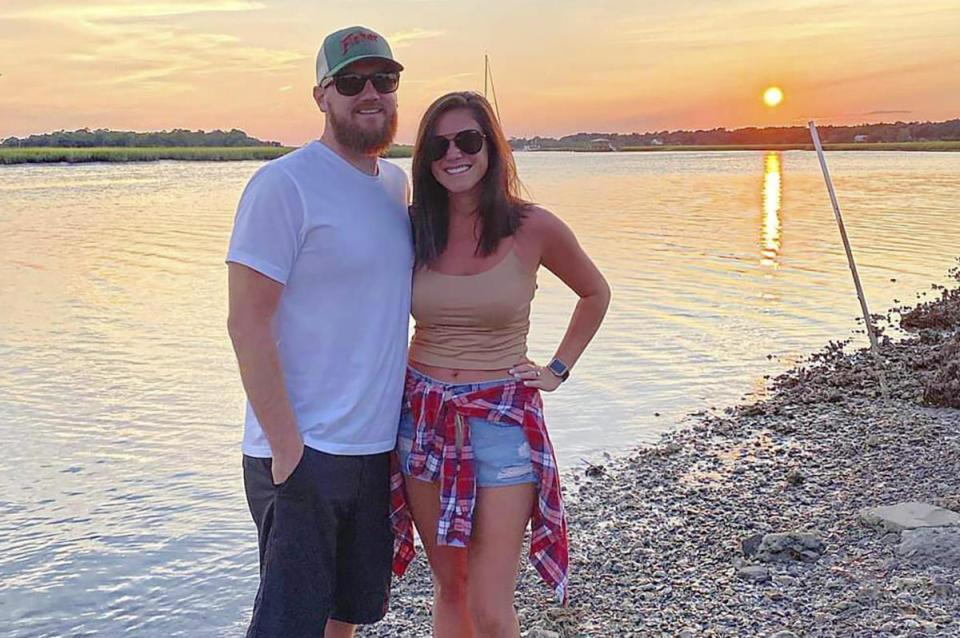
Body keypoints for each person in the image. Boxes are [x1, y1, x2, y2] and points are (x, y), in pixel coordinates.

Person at [390, 92, 611, 638]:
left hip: (501, 423)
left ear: (491, 147)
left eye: (468, 140)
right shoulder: (411, 227)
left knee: (490, 607)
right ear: (425, 158)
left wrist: (556, 370)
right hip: (423, 421)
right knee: (450, 589)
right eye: (439, 145)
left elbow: (594, 292)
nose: (454, 154)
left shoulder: (532, 227)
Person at [226, 26, 412, 638]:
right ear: (321, 95)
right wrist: (287, 449)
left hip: (373, 446)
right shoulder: (284, 184)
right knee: (287, 626)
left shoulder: (394, 185)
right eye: (351, 81)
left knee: (346, 616)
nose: (371, 93)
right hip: (304, 451)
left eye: (383, 79)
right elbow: (246, 320)